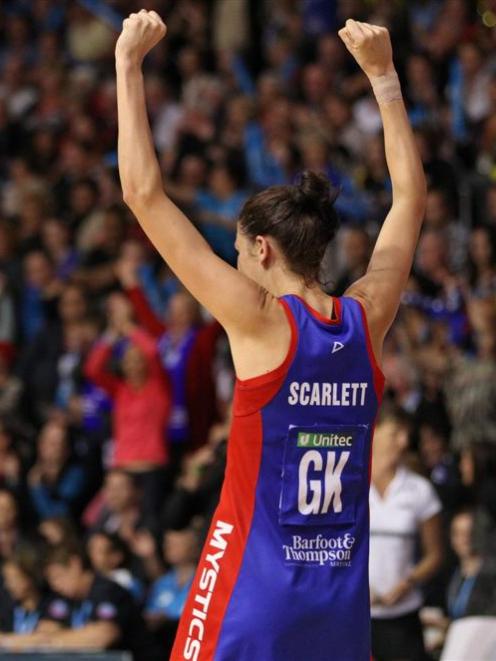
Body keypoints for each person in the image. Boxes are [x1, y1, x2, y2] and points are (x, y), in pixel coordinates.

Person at [116, 12, 426, 660]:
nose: (232, 263)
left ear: (260, 248)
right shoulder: (364, 319)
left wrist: (128, 65)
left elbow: (144, 194)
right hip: (339, 611)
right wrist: (384, 78)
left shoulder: (258, 318)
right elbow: (409, 202)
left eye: (235, 251)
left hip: (252, 597)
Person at [369, 406, 443, 661]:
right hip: (355, 615)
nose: (403, 442)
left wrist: (407, 583)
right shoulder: (349, 486)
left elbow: (435, 554)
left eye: (406, 435)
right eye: (395, 433)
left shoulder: (419, 490)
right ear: (374, 432)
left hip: (403, 618)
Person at [0, 545, 161, 659]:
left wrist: (55, 641)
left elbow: (102, 637)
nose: (56, 585)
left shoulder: (108, 590)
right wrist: (70, 638)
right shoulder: (66, 599)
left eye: (58, 576)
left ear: (75, 564)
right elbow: (43, 632)